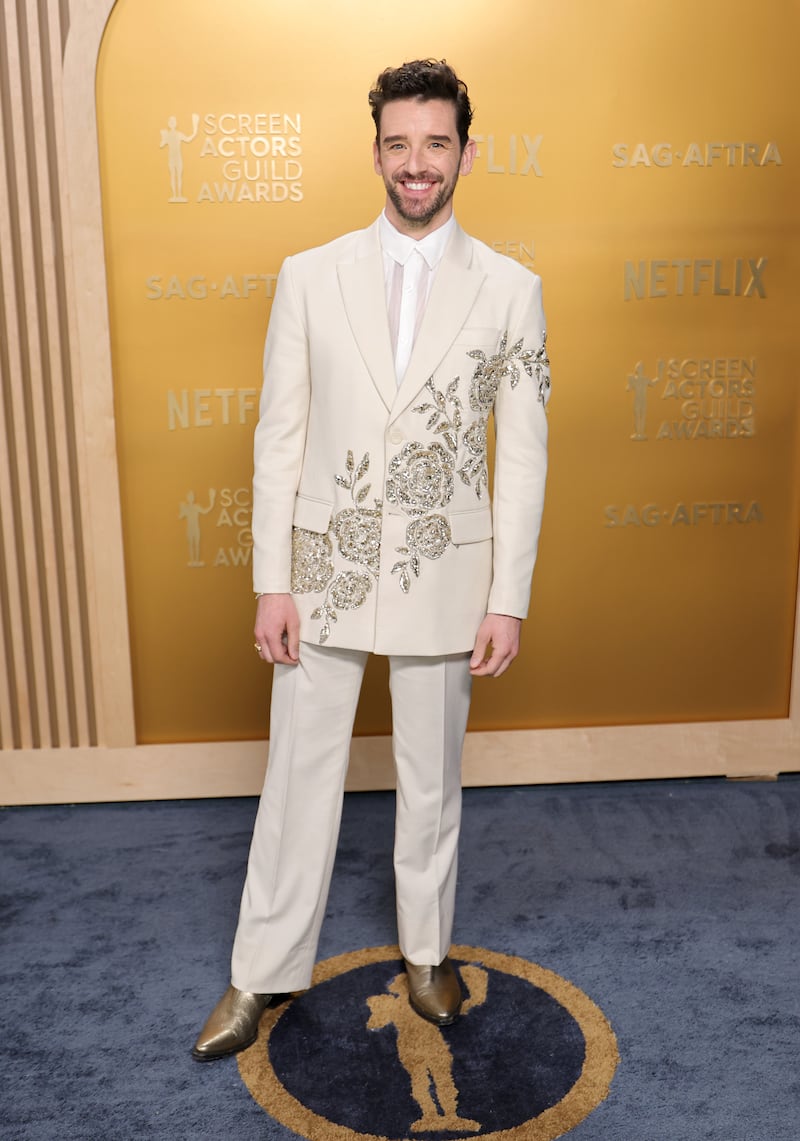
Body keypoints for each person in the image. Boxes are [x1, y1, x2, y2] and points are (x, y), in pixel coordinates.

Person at [192, 58, 550, 1062]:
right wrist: (272, 577)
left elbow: (522, 458)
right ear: (377, 153)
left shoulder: (513, 291)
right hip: (324, 569)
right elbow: (279, 436)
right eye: (397, 143)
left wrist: (506, 596)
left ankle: (428, 951)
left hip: (448, 574)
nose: (415, 163)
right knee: (296, 775)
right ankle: (259, 973)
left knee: (430, 776)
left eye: (434, 142)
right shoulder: (308, 275)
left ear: (465, 152)